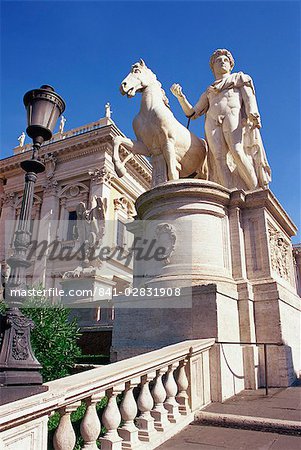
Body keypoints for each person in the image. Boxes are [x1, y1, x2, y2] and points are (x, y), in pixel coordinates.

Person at [171, 49, 271, 190]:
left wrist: (252, 113)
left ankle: (255, 190)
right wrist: (181, 98)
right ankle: (229, 192)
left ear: (230, 65)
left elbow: (249, 97)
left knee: (236, 150)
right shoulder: (209, 90)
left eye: (225, 60)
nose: (222, 62)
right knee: (218, 159)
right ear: (213, 67)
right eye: (219, 60)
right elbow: (192, 113)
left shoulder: (239, 78)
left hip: (232, 114)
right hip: (211, 121)